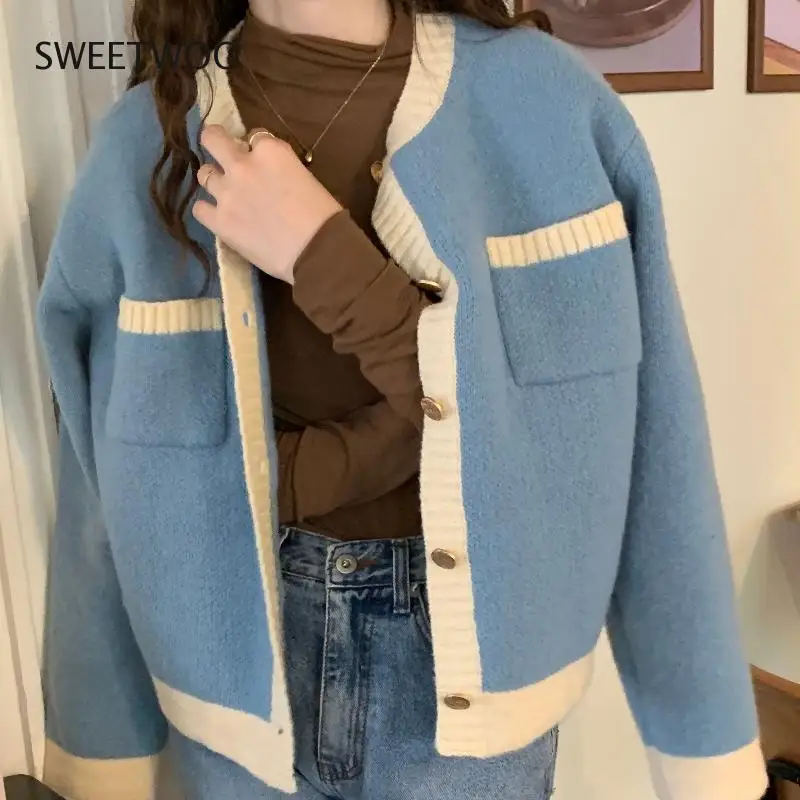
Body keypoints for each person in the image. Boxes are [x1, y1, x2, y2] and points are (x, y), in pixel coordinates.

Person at [35, 0, 768, 798]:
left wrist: (322, 256)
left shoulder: (547, 112)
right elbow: (109, 501)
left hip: (475, 708)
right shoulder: (145, 148)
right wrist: (94, 761)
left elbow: (650, 450)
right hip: (227, 697)